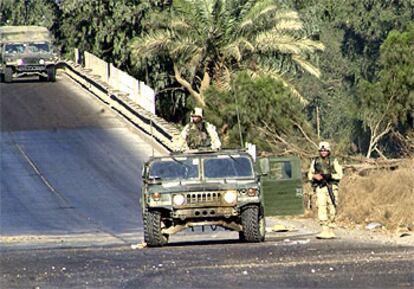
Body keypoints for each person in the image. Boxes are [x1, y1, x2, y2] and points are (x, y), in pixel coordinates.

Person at [308, 141, 343, 239]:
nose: (323, 152)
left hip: (331, 186)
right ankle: (324, 229)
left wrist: (330, 176)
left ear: (328, 151)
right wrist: (315, 176)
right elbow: (310, 174)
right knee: (321, 207)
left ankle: (331, 228)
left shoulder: (334, 161)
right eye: (321, 150)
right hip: (321, 187)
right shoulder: (315, 162)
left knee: (332, 208)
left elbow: (340, 175)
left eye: (325, 150)